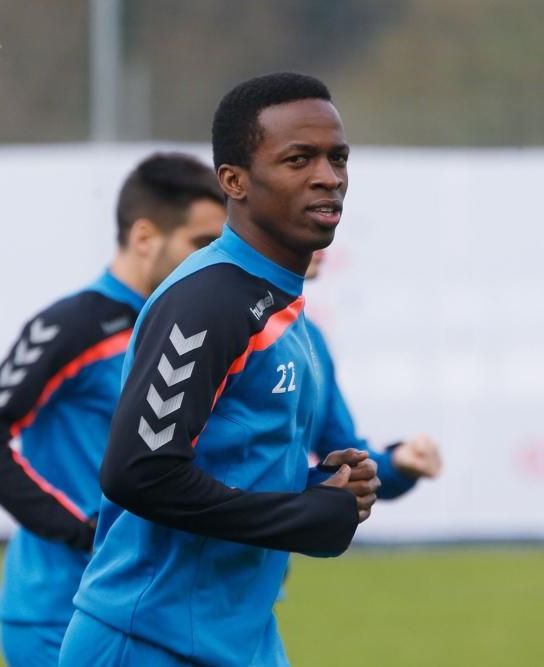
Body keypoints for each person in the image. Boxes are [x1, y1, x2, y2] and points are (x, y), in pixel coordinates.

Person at [60, 72, 380, 667]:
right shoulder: (208, 299)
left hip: (241, 638)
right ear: (233, 181)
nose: (328, 177)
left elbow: (228, 467)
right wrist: (303, 516)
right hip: (148, 641)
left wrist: (322, 488)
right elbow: (140, 473)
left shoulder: (278, 303)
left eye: (338, 158)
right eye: (298, 159)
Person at [0, 153, 228, 666]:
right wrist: (84, 531)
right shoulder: (73, 325)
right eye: (202, 244)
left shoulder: (189, 329)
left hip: (153, 609)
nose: (215, 260)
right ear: (145, 237)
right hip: (59, 614)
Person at [306, 251, 443, 496]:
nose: (322, 242)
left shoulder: (309, 337)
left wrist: (397, 463)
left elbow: (342, 453)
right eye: (211, 241)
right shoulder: (225, 323)